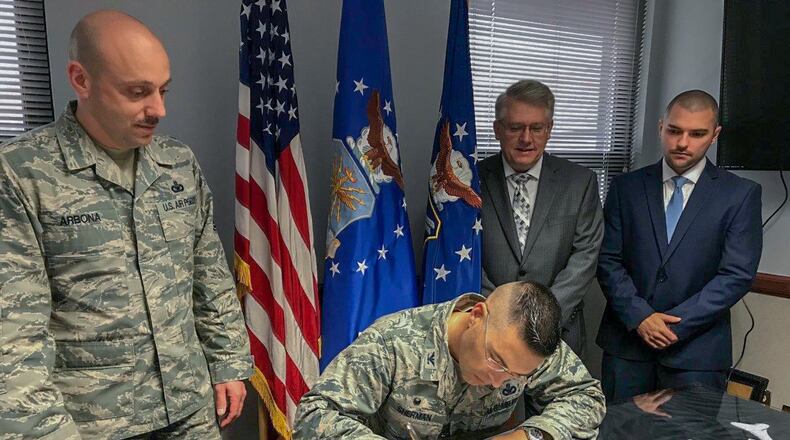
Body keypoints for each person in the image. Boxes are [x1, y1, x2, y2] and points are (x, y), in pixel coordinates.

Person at [0, 10, 251, 439]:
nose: (158, 109)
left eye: (163, 90)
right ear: (81, 79)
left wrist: (227, 360)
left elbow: (207, 271)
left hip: (189, 406)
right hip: (90, 421)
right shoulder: (21, 173)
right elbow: (13, 331)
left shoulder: (177, 164)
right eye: (138, 92)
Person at [596, 90, 762, 402]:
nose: (682, 143)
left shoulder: (740, 195)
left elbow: (736, 275)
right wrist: (641, 317)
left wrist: (672, 326)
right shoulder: (626, 187)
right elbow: (607, 261)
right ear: (661, 127)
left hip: (697, 355)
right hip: (627, 348)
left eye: (696, 134)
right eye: (674, 131)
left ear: (714, 135)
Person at [293, 281, 605, 440]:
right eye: (495, 361)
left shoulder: (525, 347)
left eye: (515, 376)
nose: (499, 381)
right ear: (477, 315)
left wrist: (530, 435)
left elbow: (586, 397)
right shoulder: (393, 341)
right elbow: (313, 415)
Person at [479, 79, 603, 359]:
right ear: (498, 129)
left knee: (557, 406)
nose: (526, 139)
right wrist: (500, 314)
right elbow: (462, 256)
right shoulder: (469, 181)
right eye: (515, 127)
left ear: (549, 129)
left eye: (536, 128)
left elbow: (585, 256)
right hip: (489, 329)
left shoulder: (580, 182)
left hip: (559, 331)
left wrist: (543, 319)